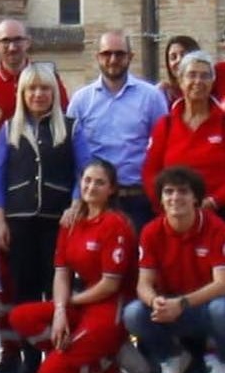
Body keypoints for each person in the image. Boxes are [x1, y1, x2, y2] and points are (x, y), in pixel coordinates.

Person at [7, 159, 136, 373]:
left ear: (112, 189)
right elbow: (61, 272)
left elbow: (110, 285)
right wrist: (59, 311)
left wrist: (69, 302)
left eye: (100, 183)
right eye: (87, 180)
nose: (91, 187)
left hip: (108, 306)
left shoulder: (115, 224)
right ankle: (86, 354)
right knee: (20, 316)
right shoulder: (71, 221)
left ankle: (107, 366)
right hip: (81, 303)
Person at [0, 64, 75, 373]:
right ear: (22, 94)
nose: (38, 95)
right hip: (20, 220)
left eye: (44, 89)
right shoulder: (8, 128)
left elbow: (83, 170)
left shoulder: (70, 128)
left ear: (53, 93)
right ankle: (29, 355)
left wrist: (77, 203)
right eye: (31, 89)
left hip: (58, 221)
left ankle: (56, 350)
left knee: (55, 288)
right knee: (24, 288)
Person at [123, 166, 225, 373]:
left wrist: (182, 303)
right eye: (168, 192)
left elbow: (222, 285)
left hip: (206, 308)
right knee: (133, 313)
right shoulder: (150, 231)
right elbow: (143, 284)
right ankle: (171, 361)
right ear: (160, 198)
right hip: (170, 308)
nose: (175, 197)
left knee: (223, 309)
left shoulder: (217, 228)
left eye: (183, 191)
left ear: (196, 198)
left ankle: (223, 361)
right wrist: (154, 301)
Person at [142, 50, 225, 243]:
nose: (198, 81)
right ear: (181, 80)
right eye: (191, 75)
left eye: (205, 75)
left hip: (219, 217)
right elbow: (150, 172)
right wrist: (168, 206)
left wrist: (213, 202)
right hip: (174, 217)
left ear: (212, 82)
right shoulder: (165, 125)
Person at [68, 31, 168, 231]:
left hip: (139, 199)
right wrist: (76, 198)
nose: (113, 60)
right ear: (97, 57)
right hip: (95, 202)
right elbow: (71, 154)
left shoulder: (151, 97)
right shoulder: (80, 100)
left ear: (130, 57)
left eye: (120, 54)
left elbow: (163, 147)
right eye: (106, 54)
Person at [0, 18, 69, 122]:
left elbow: (63, 115)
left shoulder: (48, 77)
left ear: (28, 42)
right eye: (5, 41)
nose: (12, 47)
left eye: (18, 40)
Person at [159, 35, 199, 106]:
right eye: (173, 57)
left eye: (184, 55)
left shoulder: (206, 90)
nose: (179, 60)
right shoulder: (163, 94)